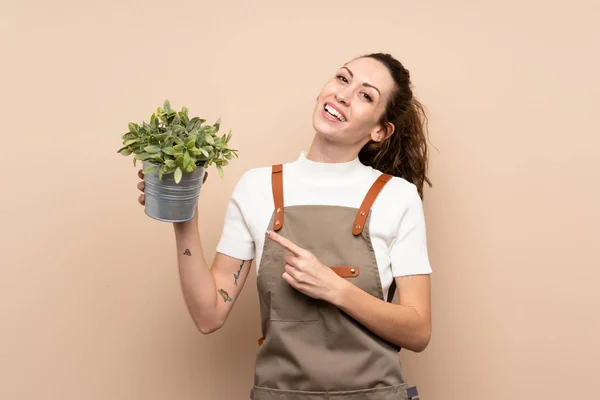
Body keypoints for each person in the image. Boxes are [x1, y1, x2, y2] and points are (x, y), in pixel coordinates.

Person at [136, 53, 433, 400]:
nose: (343, 94)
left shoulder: (397, 197)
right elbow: (209, 314)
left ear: (379, 130)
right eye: (342, 79)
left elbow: (418, 330)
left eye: (365, 95)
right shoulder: (256, 187)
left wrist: (335, 289)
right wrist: (183, 216)